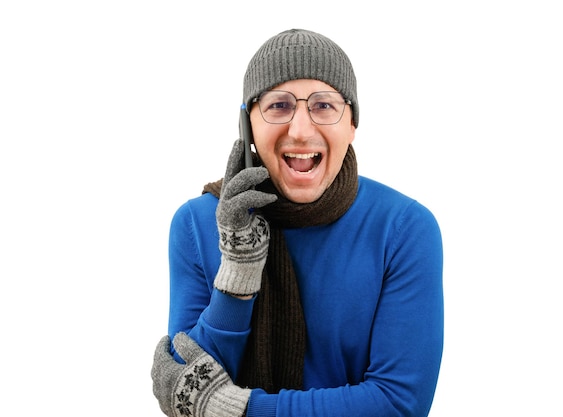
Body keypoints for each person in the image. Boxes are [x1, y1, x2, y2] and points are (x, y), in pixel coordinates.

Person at [151, 28, 444, 417]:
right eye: (279, 106)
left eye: (323, 106)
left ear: (352, 123)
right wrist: (238, 272)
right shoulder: (197, 222)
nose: (301, 130)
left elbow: (398, 404)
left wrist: (241, 410)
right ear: (248, 125)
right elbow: (184, 388)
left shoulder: (404, 228)